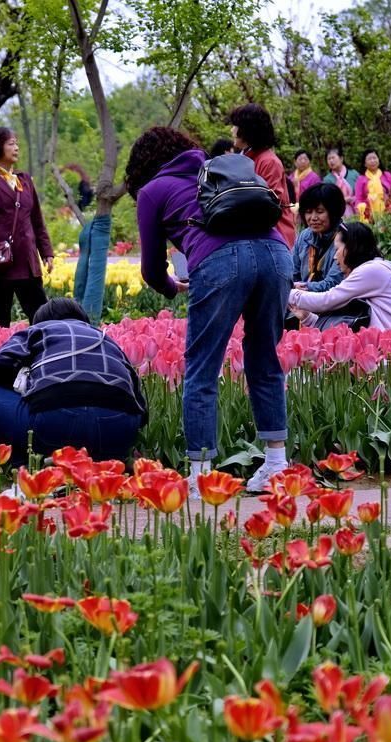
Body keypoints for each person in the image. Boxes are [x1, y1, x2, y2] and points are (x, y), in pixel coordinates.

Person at [127, 126, 293, 494]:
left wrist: (171, 287)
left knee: (203, 368)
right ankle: (277, 465)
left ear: (142, 165)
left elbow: (152, 269)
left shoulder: (153, 191)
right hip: (277, 255)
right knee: (264, 358)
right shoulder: (219, 170)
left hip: (220, 263)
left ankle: (201, 475)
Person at [0, 298, 147, 466]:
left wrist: (26, 388)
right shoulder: (106, 339)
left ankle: (24, 462)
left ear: (39, 321)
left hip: (55, 423)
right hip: (117, 430)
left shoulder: (38, 330)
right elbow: (140, 404)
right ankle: (110, 458)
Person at [0, 126, 54, 328]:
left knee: (42, 316)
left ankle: (42, 356)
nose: (16, 148)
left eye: (17, 143)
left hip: (26, 259)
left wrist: (46, 252)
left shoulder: (24, 180)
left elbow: (37, 220)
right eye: (11, 143)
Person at [288, 222, 391, 331]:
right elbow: (346, 323)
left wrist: (286, 292)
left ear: (351, 247)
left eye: (337, 249)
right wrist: (307, 317)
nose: (335, 257)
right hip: (387, 349)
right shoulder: (372, 272)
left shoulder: (372, 271)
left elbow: (326, 300)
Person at [228, 104, 296, 247]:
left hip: (273, 239)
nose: (232, 130)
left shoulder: (268, 161)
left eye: (235, 126)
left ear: (247, 129)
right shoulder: (243, 157)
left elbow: (269, 204)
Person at [292, 183, 346, 292]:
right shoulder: (304, 236)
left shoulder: (345, 238)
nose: (313, 218)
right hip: (302, 301)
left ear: (333, 212)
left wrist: (298, 288)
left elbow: (333, 284)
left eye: (320, 212)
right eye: (308, 212)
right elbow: (292, 273)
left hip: (333, 303)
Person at [354, 149, 391, 224]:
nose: (372, 161)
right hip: (369, 217)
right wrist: (364, 213)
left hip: (389, 214)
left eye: (374, 158)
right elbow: (358, 199)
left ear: (378, 160)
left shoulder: (387, 175)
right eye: (369, 159)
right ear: (365, 164)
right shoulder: (361, 179)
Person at [322, 148, 360, 218]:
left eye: (333, 158)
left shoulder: (354, 174)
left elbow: (362, 193)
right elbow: (327, 199)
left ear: (341, 158)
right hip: (337, 213)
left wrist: (352, 199)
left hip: (357, 209)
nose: (331, 161)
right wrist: (342, 200)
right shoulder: (327, 179)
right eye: (329, 159)